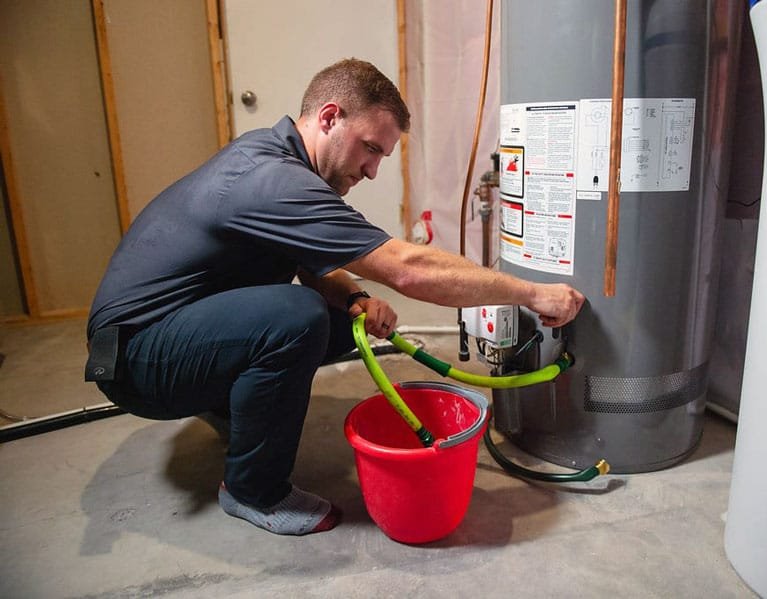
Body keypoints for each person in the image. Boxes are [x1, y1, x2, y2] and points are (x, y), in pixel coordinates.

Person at [86, 58, 584, 537]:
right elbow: (409, 271)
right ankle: (253, 491)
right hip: (138, 360)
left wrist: (354, 297)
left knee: (338, 317)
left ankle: (230, 400)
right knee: (297, 316)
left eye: (381, 158)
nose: (371, 171)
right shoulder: (273, 180)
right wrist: (532, 293)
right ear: (329, 117)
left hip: (166, 332)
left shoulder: (274, 155)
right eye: (370, 148)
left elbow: (307, 261)